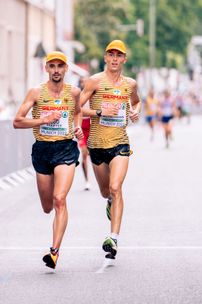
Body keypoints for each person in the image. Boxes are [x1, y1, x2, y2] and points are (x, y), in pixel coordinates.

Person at [13, 51, 83, 270]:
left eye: (59, 66)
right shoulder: (36, 93)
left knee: (59, 198)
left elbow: (78, 112)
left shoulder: (74, 92)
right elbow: (17, 121)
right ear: (46, 69)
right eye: (51, 66)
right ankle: (54, 231)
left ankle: (54, 252)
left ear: (65, 69)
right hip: (43, 150)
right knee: (47, 206)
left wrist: (78, 127)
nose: (56, 70)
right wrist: (43, 119)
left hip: (65, 149)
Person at [80, 40, 141, 260]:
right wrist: (99, 112)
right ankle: (109, 202)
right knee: (106, 192)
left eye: (119, 55)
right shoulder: (94, 81)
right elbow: (78, 106)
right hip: (96, 145)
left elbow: (136, 102)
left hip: (120, 143)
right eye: (111, 55)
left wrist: (134, 112)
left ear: (124, 59)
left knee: (116, 187)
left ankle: (113, 239)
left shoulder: (130, 84)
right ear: (105, 58)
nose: (114, 59)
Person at [77, 77, 91, 191]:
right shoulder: (77, 96)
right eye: (82, 82)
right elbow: (75, 112)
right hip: (82, 126)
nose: (83, 84)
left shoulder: (93, 95)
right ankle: (87, 181)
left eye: (85, 81)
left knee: (95, 155)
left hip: (92, 127)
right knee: (84, 155)